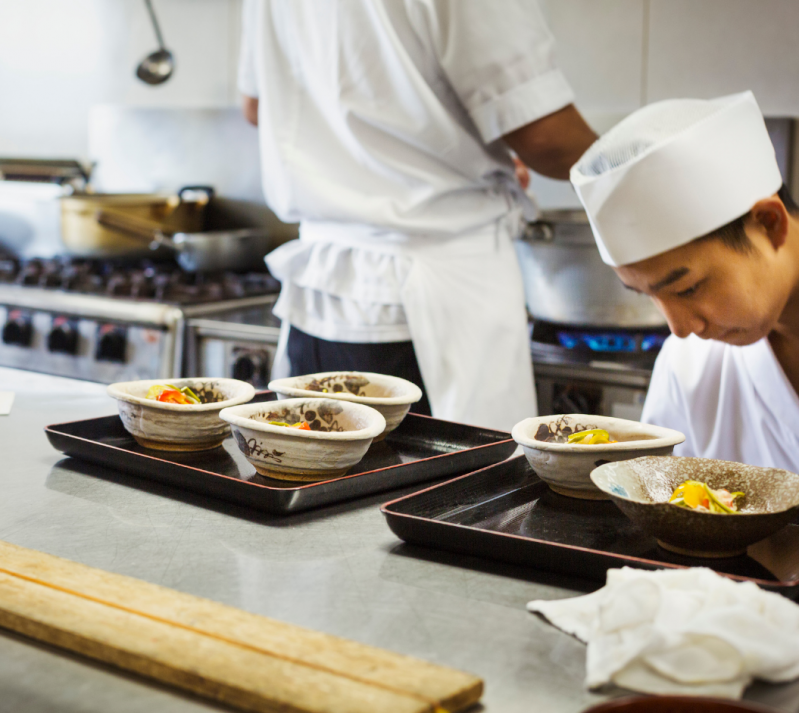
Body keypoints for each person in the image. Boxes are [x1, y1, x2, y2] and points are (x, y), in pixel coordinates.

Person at [238, 0, 597, 430]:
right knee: (442, 495)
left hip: (319, 300)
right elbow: (546, 137)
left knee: (323, 489)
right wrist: (638, 178)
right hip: (431, 310)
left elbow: (256, 106)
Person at [570, 91, 799, 472]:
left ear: (768, 224)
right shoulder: (688, 367)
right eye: (649, 296)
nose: (680, 328)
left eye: (688, 288)